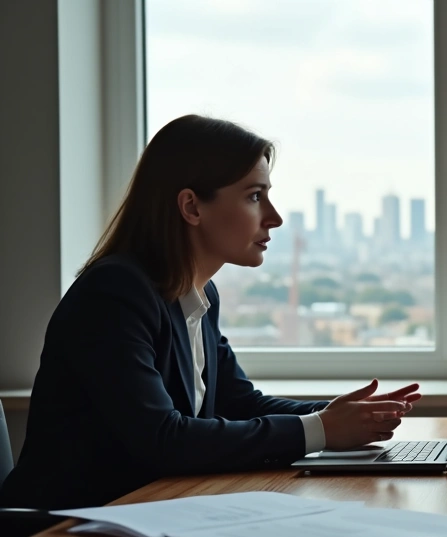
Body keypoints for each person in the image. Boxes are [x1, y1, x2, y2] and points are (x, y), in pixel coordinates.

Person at [0, 115, 423, 512]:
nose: (274, 218)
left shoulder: (200, 294)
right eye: (255, 197)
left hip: (146, 517)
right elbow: (163, 439)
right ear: (192, 207)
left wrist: (344, 415)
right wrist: (323, 429)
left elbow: (239, 404)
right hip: (59, 536)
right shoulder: (114, 294)